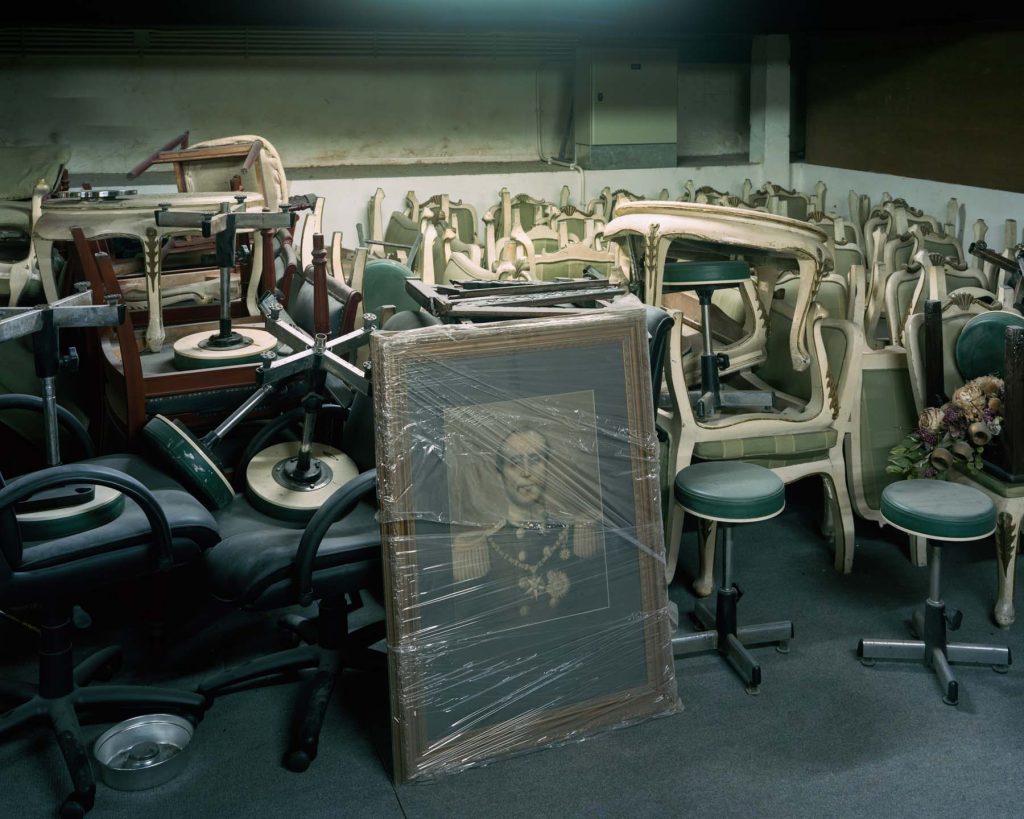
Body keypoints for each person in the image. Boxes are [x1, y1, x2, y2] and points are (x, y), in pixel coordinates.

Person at [451, 427, 604, 625]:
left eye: (535, 460)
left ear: (548, 468)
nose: (526, 473)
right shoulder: (475, 548)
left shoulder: (580, 534)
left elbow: (594, 614)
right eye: (514, 463)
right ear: (501, 475)